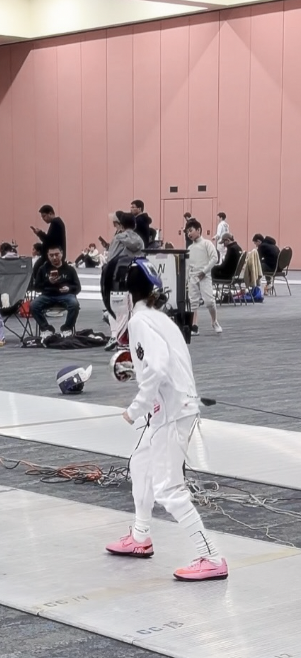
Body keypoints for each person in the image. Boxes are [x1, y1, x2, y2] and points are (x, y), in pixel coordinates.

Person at [105, 258, 228, 582]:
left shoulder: (141, 322)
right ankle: (141, 536)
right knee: (140, 465)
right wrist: (137, 372)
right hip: (170, 411)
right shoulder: (160, 319)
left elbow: (158, 368)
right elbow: (163, 365)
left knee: (168, 488)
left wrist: (135, 408)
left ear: (126, 295)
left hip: (172, 415)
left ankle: (211, 556)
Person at [101, 212, 145, 350]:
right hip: (135, 276)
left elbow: (111, 258)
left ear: (120, 224)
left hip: (117, 277)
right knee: (132, 308)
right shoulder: (139, 239)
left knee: (115, 309)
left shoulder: (118, 238)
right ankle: (128, 337)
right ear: (135, 224)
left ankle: (117, 337)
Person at [31, 246, 81, 339]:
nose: (54, 257)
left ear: (62, 254)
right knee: (34, 305)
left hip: (66, 295)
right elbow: (36, 287)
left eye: (57, 254)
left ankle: (67, 328)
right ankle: (46, 329)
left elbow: (78, 287)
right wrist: (48, 282)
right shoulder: (43, 269)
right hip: (47, 295)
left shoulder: (70, 269)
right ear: (48, 256)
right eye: (51, 255)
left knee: (74, 304)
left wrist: (69, 288)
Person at [185, 219, 221, 335]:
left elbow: (214, 258)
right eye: (187, 232)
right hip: (193, 277)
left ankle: (214, 321)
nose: (189, 234)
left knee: (209, 301)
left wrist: (204, 271)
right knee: (193, 302)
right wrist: (187, 279)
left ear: (199, 230)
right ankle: (194, 325)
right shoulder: (189, 248)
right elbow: (187, 265)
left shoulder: (207, 243)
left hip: (204, 276)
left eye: (191, 230)